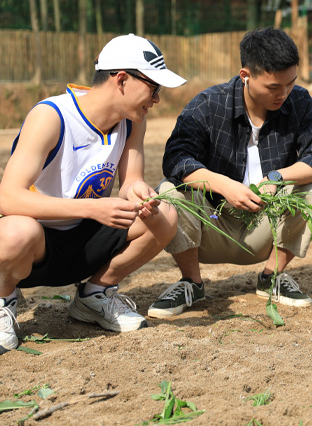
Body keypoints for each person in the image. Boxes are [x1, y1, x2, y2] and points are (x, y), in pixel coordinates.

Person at [0, 34, 184, 354]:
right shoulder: (51, 116)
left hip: (86, 241)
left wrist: (138, 191)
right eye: (154, 87)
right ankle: (4, 298)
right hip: (37, 244)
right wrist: (92, 209)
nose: (157, 99)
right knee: (16, 231)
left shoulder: (132, 121)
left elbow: (130, 182)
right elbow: (8, 198)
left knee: (166, 213)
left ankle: (95, 294)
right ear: (122, 79)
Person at [148, 27, 312, 318]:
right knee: (169, 191)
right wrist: (224, 186)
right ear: (245, 75)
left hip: (267, 224)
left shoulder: (300, 102)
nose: (283, 94)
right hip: (211, 223)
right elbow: (176, 159)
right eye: (273, 87)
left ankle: (272, 277)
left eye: (290, 83)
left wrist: (277, 178)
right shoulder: (208, 104)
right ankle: (192, 283)